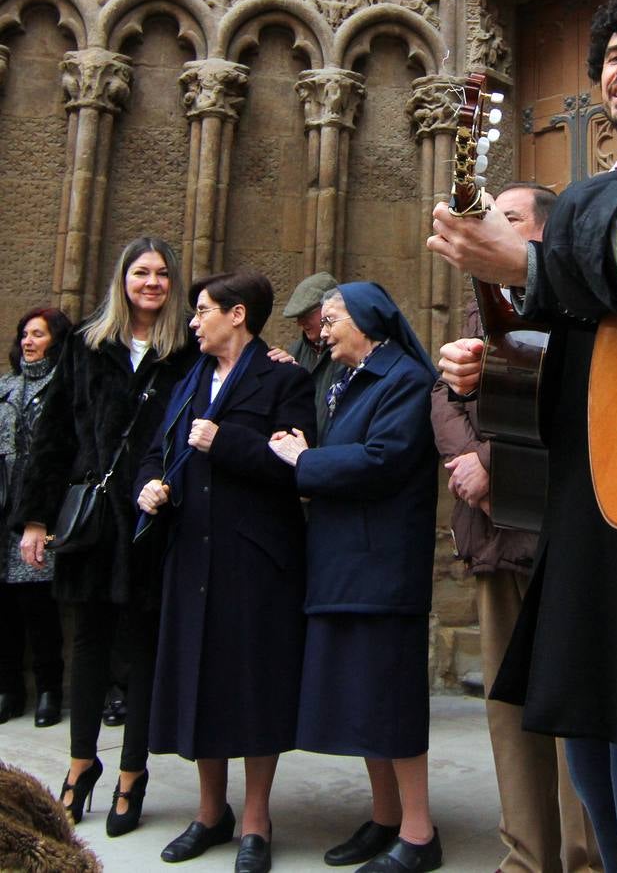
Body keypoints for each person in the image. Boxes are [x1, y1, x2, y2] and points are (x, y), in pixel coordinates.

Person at [428, 0, 617, 872]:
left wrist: (526, 262)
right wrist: (513, 366)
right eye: (610, 57)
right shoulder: (600, 199)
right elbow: (602, 345)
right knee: (601, 810)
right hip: (583, 531)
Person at [430, 184, 601, 873]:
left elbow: (575, 396)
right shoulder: (481, 305)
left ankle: (583, 857)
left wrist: (493, 461)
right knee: (507, 706)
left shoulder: (573, 301)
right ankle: (526, 857)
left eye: (506, 218)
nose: (488, 228)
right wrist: (466, 457)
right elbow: (444, 395)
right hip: (491, 536)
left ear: (541, 236)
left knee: (565, 706)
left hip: (554, 533)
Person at [136, 270, 316, 873]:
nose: (193, 321)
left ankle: (257, 820)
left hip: (256, 556)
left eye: (203, 310)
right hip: (193, 552)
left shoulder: (285, 377)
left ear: (237, 315)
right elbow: (156, 450)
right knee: (200, 681)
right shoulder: (189, 380)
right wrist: (149, 488)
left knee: (253, 685)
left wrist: (228, 441)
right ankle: (210, 812)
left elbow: (298, 463)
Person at [16, 236, 196, 837]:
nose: (152, 283)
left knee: (142, 644)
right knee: (89, 641)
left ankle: (132, 773)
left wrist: (274, 359)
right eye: (141, 272)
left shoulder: (187, 349)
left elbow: (236, 374)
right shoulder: (86, 346)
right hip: (94, 517)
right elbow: (53, 439)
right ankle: (80, 763)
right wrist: (36, 519)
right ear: (122, 279)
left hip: (154, 517)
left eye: (163, 274)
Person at [269, 282, 442, 873]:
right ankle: (387, 818)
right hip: (347, 562)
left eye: (334, 317)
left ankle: (419, 835)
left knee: (391, 702)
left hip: (382, 566)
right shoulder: (352, 378)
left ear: (367, 322)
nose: (324, 328)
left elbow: (382, 459)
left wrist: (304, 460)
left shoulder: (404, 380)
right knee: (367, 703)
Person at [0, 307, 71, 728]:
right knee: (4, 605)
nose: (28, 342)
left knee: (38, 602)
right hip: (4, 507)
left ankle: (48, 689)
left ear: (56, 341)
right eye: (24, 334)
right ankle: (8, 688)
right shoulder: (5, 387)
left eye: (38, 335)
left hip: (42, 506)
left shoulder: (64, 387)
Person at [268, 271, 345, 443]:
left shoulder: (347, 351)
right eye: (298, 316)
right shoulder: (295, 350)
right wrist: (287, 376)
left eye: (307, 314)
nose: (300, 322)